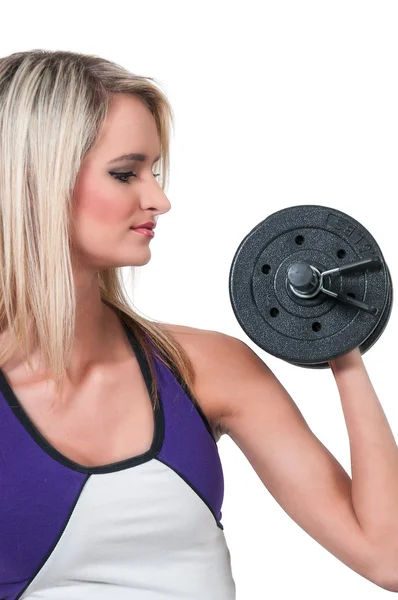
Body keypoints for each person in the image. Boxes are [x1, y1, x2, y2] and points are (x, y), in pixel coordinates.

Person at [0, 49, 397, 599]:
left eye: (154, 172)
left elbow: (388, 557)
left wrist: (341, 345)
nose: (159, 200)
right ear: (33, 183)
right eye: (125, 173)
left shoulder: (206, 369)